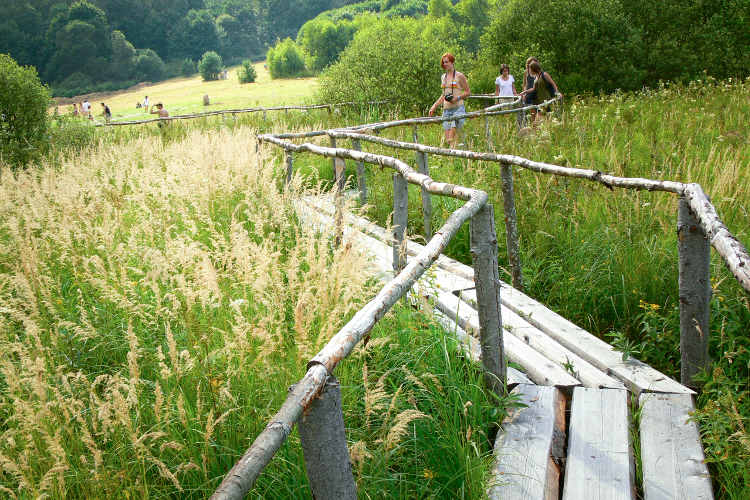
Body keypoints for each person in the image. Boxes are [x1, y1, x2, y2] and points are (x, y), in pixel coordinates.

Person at [428, 52, 471, 149]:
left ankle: (461, 153)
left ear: (452, 62)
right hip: (446, 110)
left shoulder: (460, 76)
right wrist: (434, 106)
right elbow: (443, 94)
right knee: (449, 140)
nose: (445, 64)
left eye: (447, 62)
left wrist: (457, 98)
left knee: (452, 137)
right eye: (443, 63)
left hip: (458, 109)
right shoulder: (443, 77)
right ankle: (456, 156)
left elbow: (468, 92)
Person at [520, 61, 562, 125]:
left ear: (534, 68)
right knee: (541, 120)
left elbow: (553, 84)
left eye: (530, 69)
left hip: (547, 99)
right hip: (541, 101)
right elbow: (533, 89)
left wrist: (557, 93)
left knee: (544, 119)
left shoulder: (544, 74)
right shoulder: (536, 77)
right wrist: (524, 92)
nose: (529, 71)